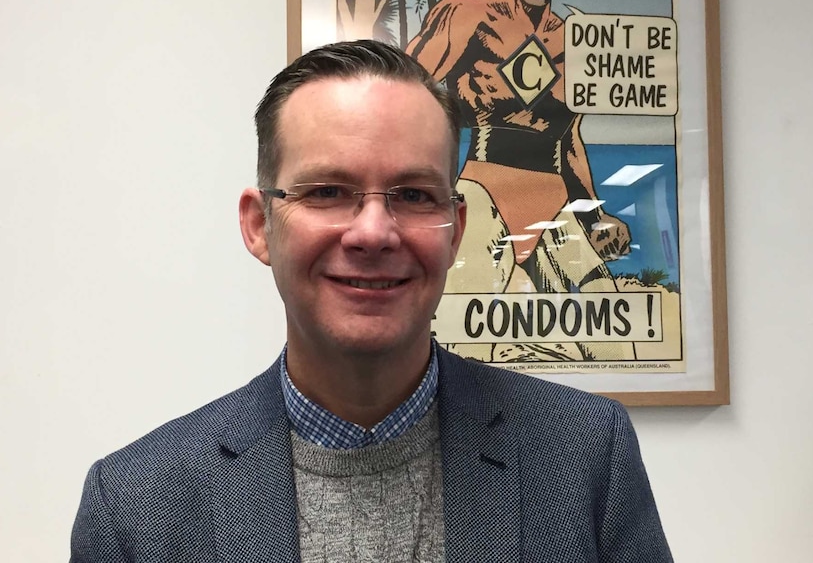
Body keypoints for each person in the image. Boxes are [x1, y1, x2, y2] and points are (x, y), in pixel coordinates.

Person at [71, 39, 672, 562]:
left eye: (413, 194)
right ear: (260, 226)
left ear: (456, 230)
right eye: (329, 191)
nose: (374, 233)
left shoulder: (587, 456)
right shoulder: (135, 511)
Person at [407, 0, 635, 362]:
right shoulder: (470, 14)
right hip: (484, 195)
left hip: (555, 203)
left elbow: (570, 138)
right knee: (462, 340)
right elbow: (401, 95)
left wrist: (595, 216)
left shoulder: (571, 39)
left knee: (610, 329)